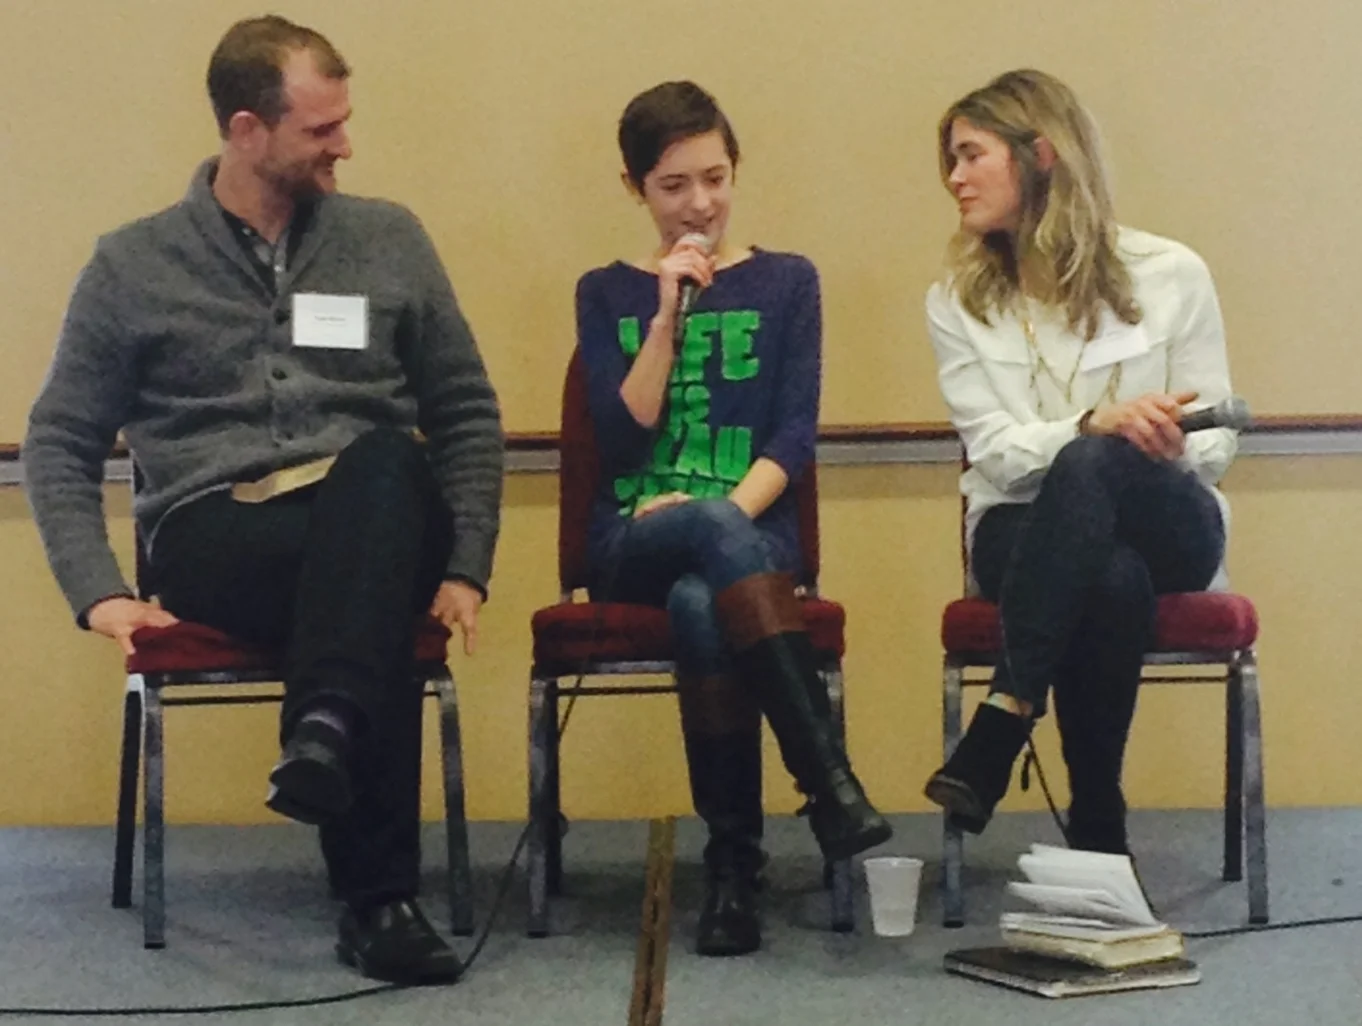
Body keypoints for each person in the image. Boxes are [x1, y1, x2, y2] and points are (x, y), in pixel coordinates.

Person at [22, 16, 503, 985]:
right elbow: (60, 437)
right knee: (365, 582)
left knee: (380, 465)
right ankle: (375, 890)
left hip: (378, 507)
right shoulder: (132, 264)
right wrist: (98, 590)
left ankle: (324, 730)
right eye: (322, 130)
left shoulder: (390, 237)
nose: (346, 146)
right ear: (246, 129)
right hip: (218, 533)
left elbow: (463, 411)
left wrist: (464, 565)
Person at [575, 81, 891, 957]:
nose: (700, 204)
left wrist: (721, 514)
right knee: (692, 562)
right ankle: (826, 782)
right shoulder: (606, 292)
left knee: (697, 603)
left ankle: (731, 870)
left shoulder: (791, 281)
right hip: (632, 531)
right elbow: (620, 430)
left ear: (736, 169)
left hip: (748, 533)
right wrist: (667, 316)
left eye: (714, 178)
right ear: (636, 188)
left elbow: (793, 434)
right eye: (674, 185)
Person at [921, 69, 1237, 857]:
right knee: (1106, 567)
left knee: (1099, 466)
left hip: (1171, 518)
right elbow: (993, 454)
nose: (954, 179)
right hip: (1018, 528)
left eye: (970, 156)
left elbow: (1220, 441)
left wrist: (1170, 440)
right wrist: (1089, 425)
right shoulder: (957, 301)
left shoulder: (1172, 273)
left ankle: (1009, 706)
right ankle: (1099, 823)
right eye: (950, 162)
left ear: (1041, 155)